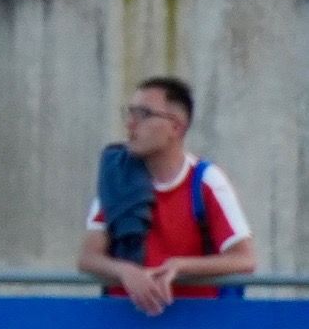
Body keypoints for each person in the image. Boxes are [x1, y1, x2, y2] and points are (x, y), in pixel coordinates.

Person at [81, 76, 257, 316]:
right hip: (123, 327)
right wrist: (124, 271)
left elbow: (244, 259)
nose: (131, 124)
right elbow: (88, 258)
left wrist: (180, 266)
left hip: (193, 327)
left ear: (175, 127)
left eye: (143, 114)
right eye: (129, 113)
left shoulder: (206, 180)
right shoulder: (117, 177)